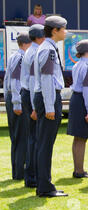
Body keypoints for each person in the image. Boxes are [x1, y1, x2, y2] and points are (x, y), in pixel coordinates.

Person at [34, 15, 68, 197]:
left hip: (46, 96)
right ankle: (44, 186)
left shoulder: (47, 48)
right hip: (48, 96)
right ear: (54, 30)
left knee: (44, 143)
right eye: (63, 28)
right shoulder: (48, 51)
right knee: (46, 144)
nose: (66, 32)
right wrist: (49, 107)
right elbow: (47, 79)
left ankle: (44, 183)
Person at [4, 33, 32, 180]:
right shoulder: (21, 58)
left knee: (16, 137)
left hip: (12, 97)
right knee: (22, 136)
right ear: (26, 44)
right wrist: (17, 102)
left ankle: (17, 171)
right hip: (17, 97)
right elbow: (15, 81)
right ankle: (20, 172)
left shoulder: (14, 56)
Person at [67, 39, 88, 179]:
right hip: (82, 101)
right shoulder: (87, 67)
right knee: (81, 138)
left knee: (77, 138)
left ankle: (77, 168)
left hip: (76, 99)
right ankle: (79, 170)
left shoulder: (77, 65)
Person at [21, 24, 45, 188]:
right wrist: (35, 108)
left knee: (33, 138)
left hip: (28, 95)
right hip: (31, 97)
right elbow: (31, 80)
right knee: (35, 138)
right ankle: (32, 176)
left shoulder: (31, 50)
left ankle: (31, 174)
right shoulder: (35, 52)